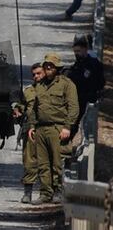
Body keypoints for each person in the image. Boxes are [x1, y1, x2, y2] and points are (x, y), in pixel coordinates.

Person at [27, 53, 79, 205]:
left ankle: (57, 191)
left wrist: (67, 127)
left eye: (51, 66)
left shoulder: (66, 84)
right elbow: (35, 107)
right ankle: (45, 193)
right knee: (42, 164)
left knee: (57, 163)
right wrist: (32, 126)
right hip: (41, 129)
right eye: (46, 66)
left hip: (58, 128)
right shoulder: (40, 85)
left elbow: (73, 107)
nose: (48, 68)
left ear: (57, 68)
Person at [13, 63, 44, 204]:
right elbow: (24, 106)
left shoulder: (52, 89)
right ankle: (28, 192)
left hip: (47, 128)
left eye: (39, 73)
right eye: (34, 74)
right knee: (29, 162)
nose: (36, 76)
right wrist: (18, 109)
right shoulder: (29, 91)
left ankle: (49, 193)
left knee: (48, 162)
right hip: (30, 129)